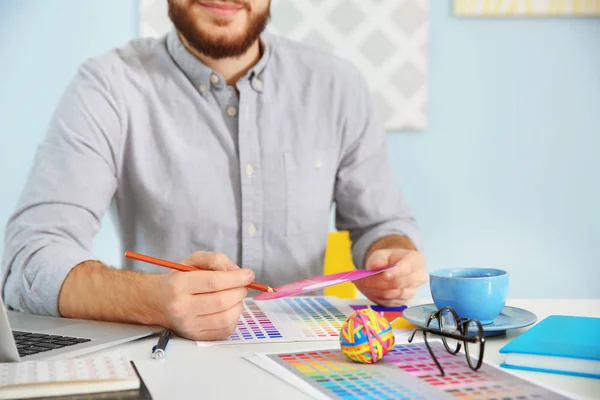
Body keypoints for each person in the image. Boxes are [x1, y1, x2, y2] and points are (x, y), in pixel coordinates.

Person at [1, 0, 427, 341]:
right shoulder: (109, 86)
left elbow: (382, 225)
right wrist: (153, 299)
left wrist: (390, 255)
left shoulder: (338, 85)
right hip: (170, 364)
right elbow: (29, 261)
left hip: (308, 361)